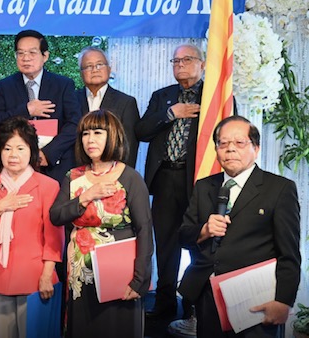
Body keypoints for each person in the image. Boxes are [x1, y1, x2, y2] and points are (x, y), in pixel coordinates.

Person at [178, 115, 301, 338]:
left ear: (256, 148)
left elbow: (289, 254)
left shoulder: (279, 188)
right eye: (223, 143)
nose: (230, 149)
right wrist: (204, 230)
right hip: (208, 294)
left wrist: (283, 301)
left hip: (255, 298)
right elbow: (184, 236)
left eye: (239, 143)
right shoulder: (205, 186)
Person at [50, 110, 153, 337]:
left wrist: (139, 279)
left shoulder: (130, 177)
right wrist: (86, 196)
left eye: (97, 133)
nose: (90, 139)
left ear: (112, 136)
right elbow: (56, 215)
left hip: (120, 272)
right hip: (80, 270)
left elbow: (145, 230)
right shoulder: (73, 176)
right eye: (85, 134)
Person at [0, 116, 64, 338]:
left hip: (35, 277)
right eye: (7, 148)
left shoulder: (48, 186)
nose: (13, 155)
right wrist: (0, 207)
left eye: (20, 148)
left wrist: (47, 274)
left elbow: (54, 237)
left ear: (32, 151)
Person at [135, 44, 204, 322]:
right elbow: (141, 131)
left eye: (186, 59)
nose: (180, 65)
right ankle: (164, 304)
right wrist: (170, 114)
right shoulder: (162, 96)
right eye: (175, 61)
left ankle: (193, 304)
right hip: (164, 177)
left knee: (198, 243)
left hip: (197, 180)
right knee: (165, 244)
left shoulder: (214, 95)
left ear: (202, 64)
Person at [0, 29, 81, 183]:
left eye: (32, 53)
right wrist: (27, 110)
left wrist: (48, 153)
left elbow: (74, 123)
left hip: (55, 165)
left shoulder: (63, 85)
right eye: (21, 53)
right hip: (15, 166)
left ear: (45, 56)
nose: (26, 58)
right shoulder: (5, 86)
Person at [75, 46, 140, 167]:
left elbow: (129, 146)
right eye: (89, 66)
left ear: (109, 70)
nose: (95, 70)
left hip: (113, 173)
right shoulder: (71, 100)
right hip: (77, 172)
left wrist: (120, 175)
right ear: (81, 73)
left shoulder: (126, 102)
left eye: (99, 65)